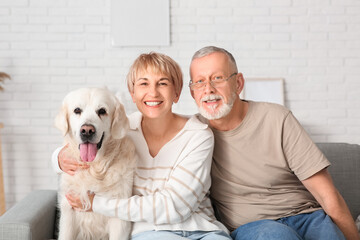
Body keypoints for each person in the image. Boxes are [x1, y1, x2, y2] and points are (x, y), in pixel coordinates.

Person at [52, 52, 231, 240]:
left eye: (162, 83)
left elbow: (175, 206)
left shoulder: (199, 135)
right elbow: (81, 144)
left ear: (177, 92)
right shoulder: (121, 130)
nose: (153, 92)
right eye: (144, 83)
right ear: (133, 94)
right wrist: (58, 159)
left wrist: (95, 203)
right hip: (152, 233)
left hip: (203, 230)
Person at [188, 46, 360, 240]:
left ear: (238, 83)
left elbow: (327, 194)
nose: (208, 89)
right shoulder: (192, 133)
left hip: (307, 217)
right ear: (192, 92)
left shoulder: (278, 119)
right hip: (255, 226)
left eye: (218, 78)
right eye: (199, 82)